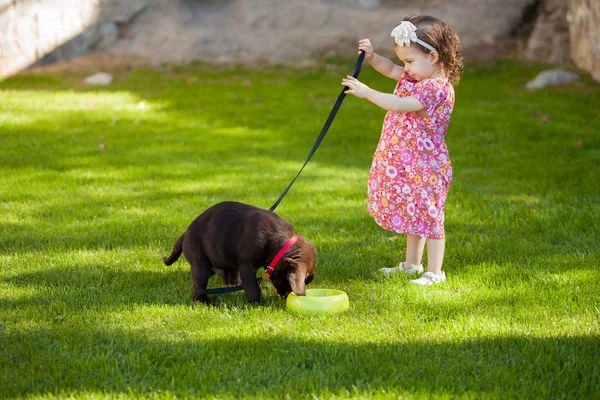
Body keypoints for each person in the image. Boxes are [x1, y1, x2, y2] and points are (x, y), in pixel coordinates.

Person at [341, 14, 463, 286]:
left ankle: (435, 272)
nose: (405, 68)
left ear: (432, 57)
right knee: (416, 216)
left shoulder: (435, 89)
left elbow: (398, 104)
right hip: (412, 162)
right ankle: (411, 265)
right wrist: (372, 57)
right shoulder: (418, 76)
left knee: (430, 218)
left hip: (427, 165)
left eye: (410, 61)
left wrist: (366, 92)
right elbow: (390, 69)